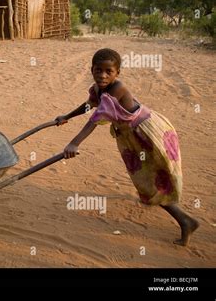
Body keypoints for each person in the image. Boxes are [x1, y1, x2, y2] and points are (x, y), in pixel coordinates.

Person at [55, 48, 199, 246]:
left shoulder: (117, 89)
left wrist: (74, 142)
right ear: (92, 70)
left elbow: (95, 120)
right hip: (133, 137)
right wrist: (67, 116)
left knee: (154, 181)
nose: (103, 75)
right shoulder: (98, 89)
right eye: (98, 70)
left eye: (108, 71)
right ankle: (171, 210)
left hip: (147, 134)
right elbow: (89, 106)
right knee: (146, 178)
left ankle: (185, 220)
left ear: (117, 73)